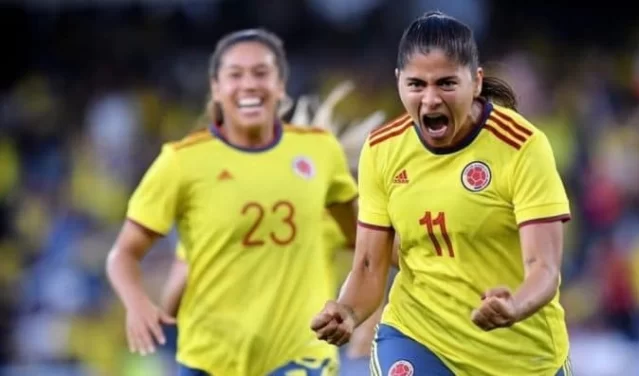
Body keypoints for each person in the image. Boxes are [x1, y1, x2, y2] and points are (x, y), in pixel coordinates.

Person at [311, 11, 574, 376]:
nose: (430, 99)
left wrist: (514, 306)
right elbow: (369, 265)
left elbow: (543, 267)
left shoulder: (522, 147)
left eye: (446, 84)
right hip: (419, 337)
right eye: (417, 85)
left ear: (476, 82)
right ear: (399, 82)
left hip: (521, 356)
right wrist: (348, 311)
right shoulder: (383, 149)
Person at [106, 28, 358, 376]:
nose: (249, 84)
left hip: (300, 357)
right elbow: (131, 260)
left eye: (261, 73)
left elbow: (371, 251)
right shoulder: (183, 162)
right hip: (210, 360)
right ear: (216, 87)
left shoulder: (321, 155)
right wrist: (138, 305)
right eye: (235, 74)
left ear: (281, 84)